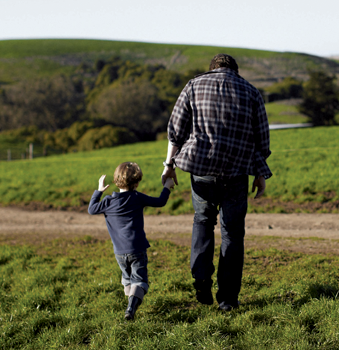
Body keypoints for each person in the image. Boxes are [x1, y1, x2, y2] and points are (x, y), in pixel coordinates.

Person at [162, 53, 272, 311]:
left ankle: (201, 277)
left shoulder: (193, 85)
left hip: (201, 169)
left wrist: (169, 166)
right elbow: (262, 140)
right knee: (232, 233)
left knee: (202, 221)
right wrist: (260, 173)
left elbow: (175, 131)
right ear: (236, 70)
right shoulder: (252, 92)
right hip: (236, 172)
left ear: (211, 69)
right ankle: (228, 300)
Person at [88, 162, 175, 320]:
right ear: (136, 183)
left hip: (119, 252)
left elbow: (91, 209)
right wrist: (167, 187)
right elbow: (160, 202)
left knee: (127, 279)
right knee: (140, 281)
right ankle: (131, 308)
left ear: (116, 181)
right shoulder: (137, 197)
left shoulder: (108, 201)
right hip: (137, 249)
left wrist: (99, 191)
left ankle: (130, 304)